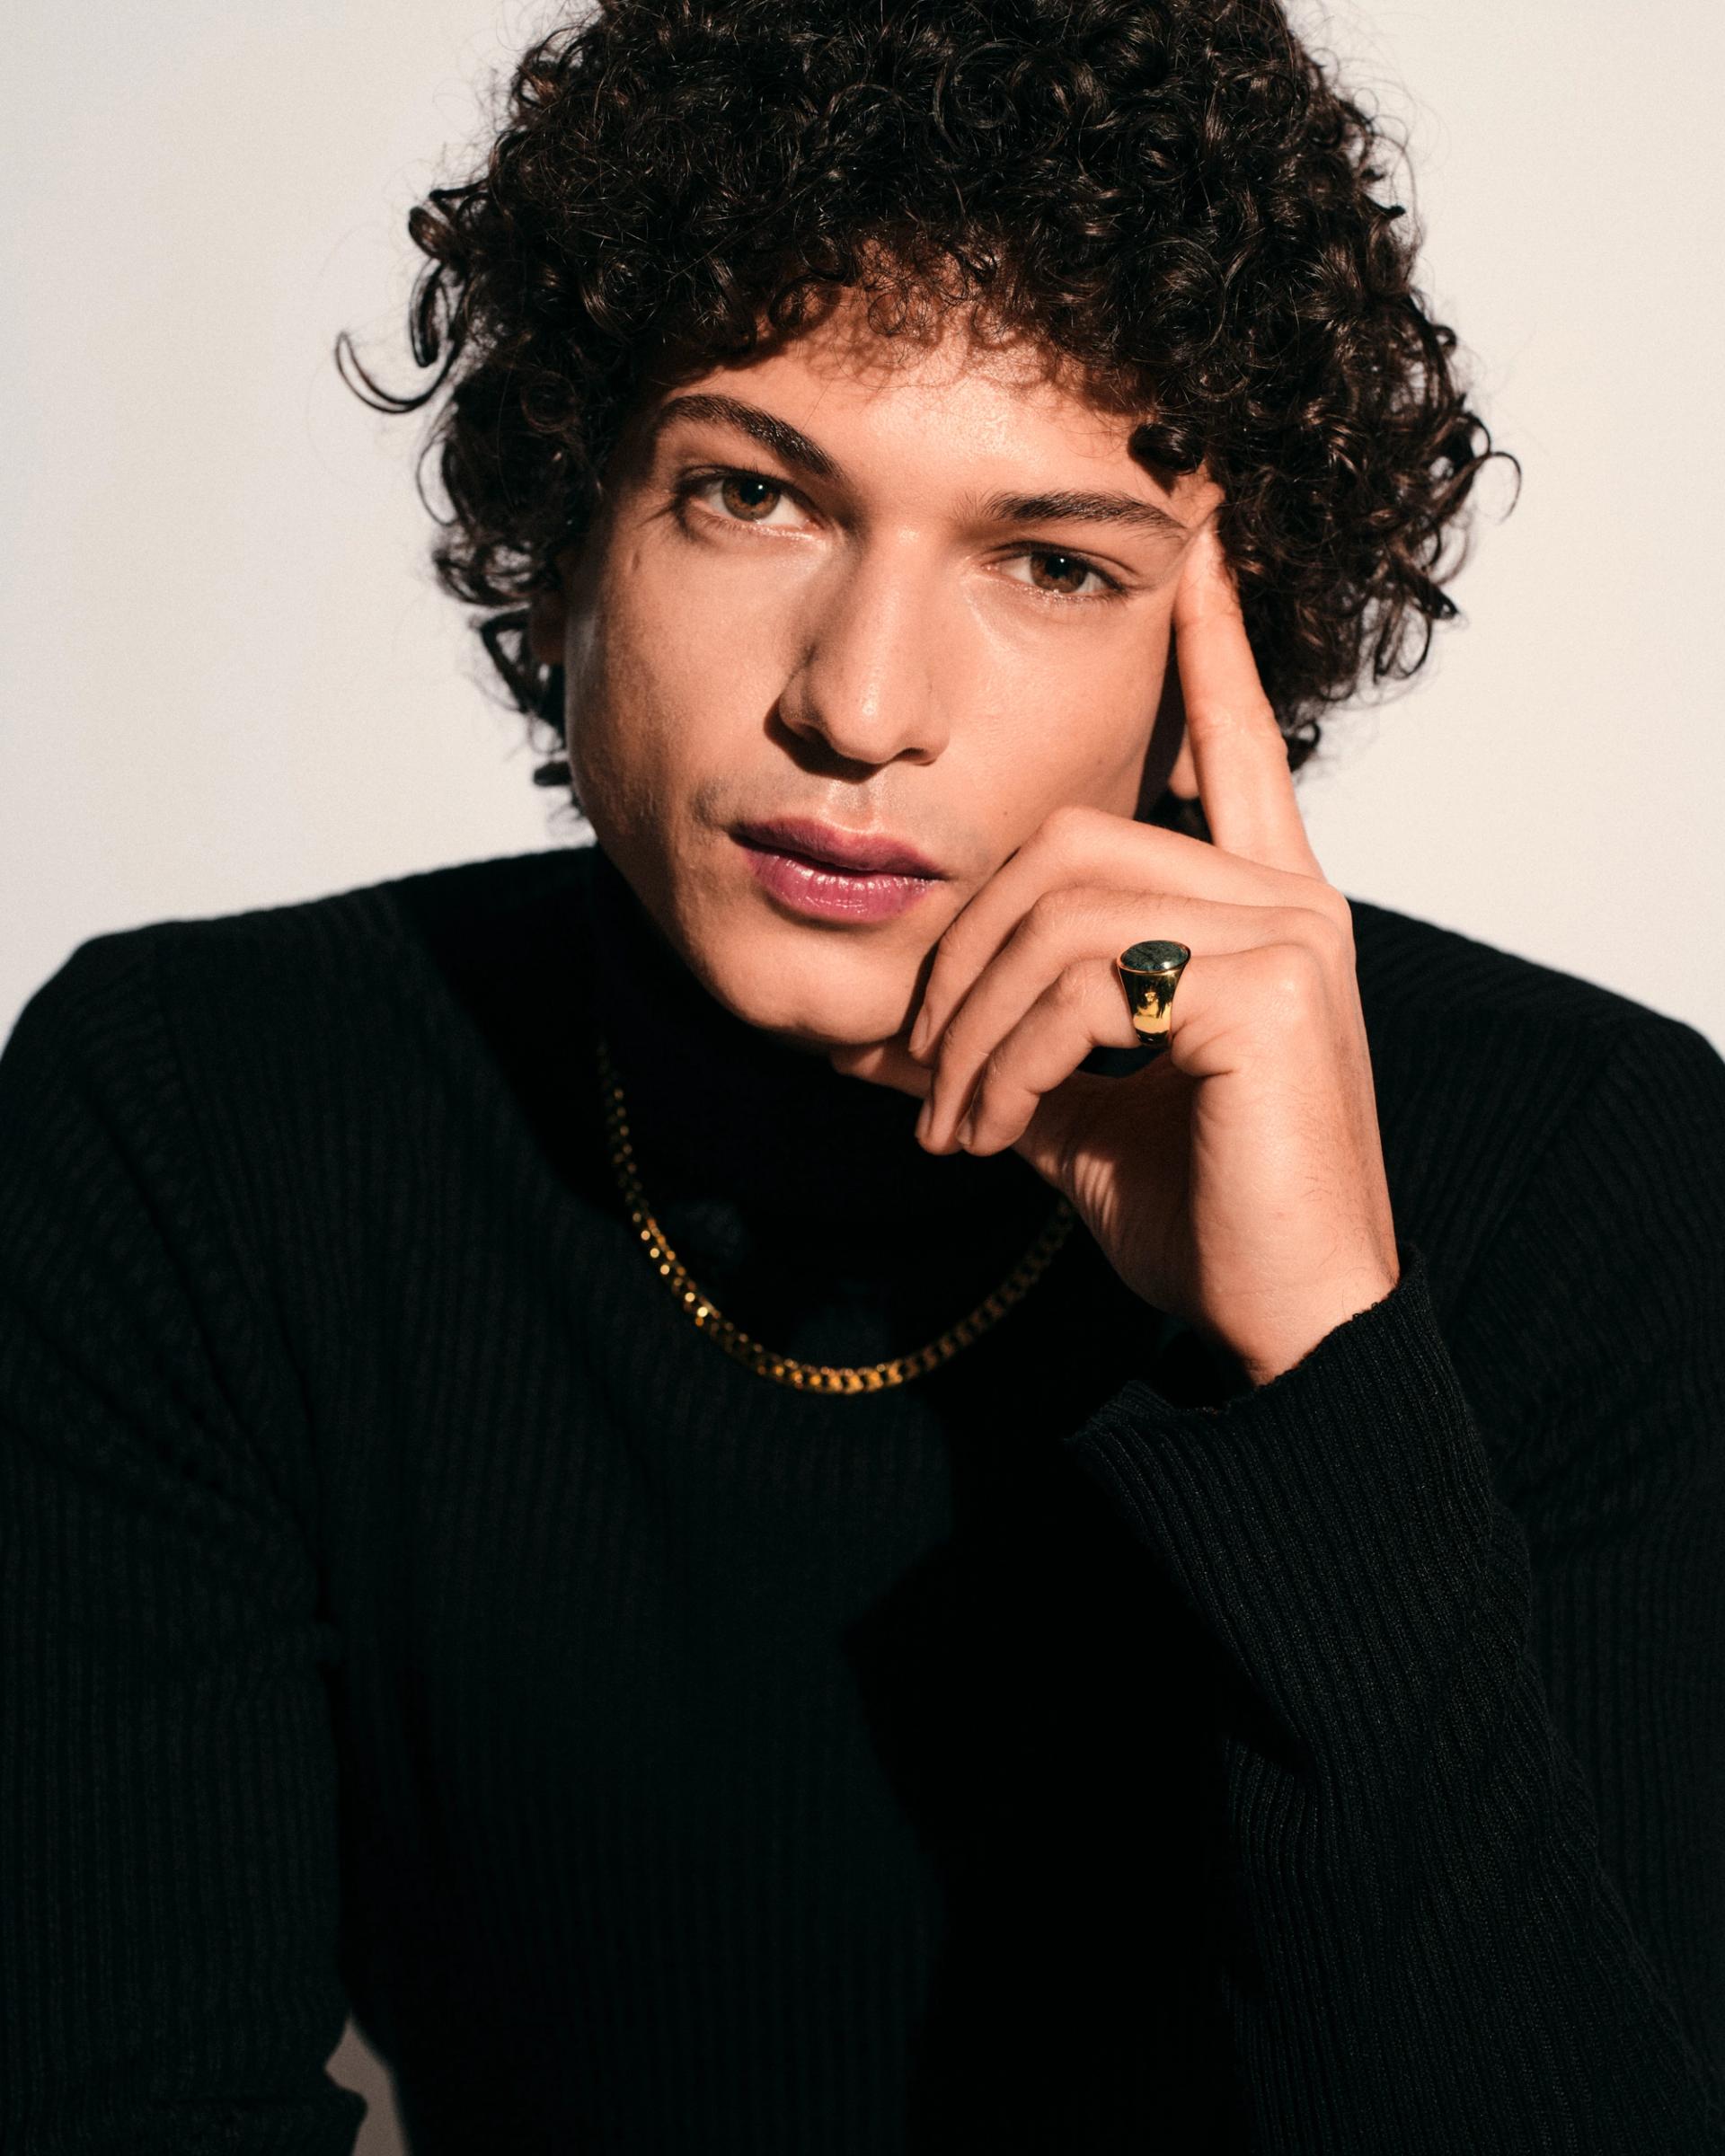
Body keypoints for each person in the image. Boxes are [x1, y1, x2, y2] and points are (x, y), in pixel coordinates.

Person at [3, 0, 1721, 2149]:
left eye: (1053, 563)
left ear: (1224, 667)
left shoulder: (1589, 1170)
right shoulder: (204, 1120)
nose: (862, 703)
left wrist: (1325, 1381)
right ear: (575, 517)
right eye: (752, 495)